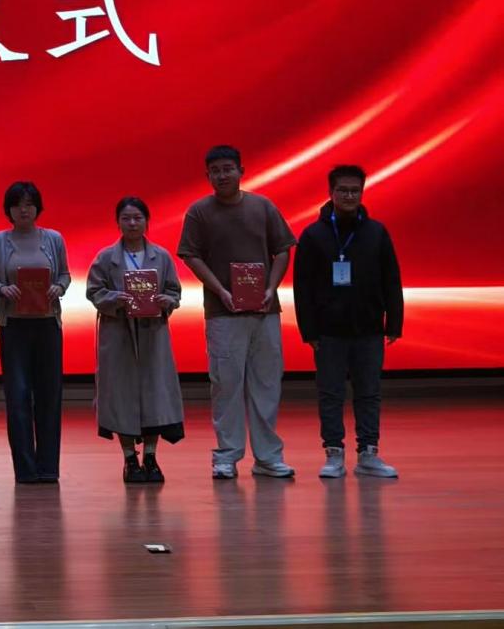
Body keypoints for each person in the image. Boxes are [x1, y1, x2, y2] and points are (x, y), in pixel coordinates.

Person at [177, 145, 298, 480]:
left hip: (265, 311)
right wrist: (221, 291)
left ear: (241, 171)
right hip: (223, 313)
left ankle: (268, 458)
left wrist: (271, 288)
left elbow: (283, 250)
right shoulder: (199, 212)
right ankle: (226, 456)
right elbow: (191, 256)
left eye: (228, 168)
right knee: (226, 385)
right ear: (208, 176)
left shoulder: (263, 206)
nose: (222, 175)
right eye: (215, 171)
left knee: (266, 384)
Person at [293, 165, 403, 479]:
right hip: (327, 331)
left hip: (369, 327)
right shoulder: (313, 235)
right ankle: (333, 454)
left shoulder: (376, 232)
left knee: (369, 392)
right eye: (342, 190)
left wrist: (394, 323)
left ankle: (368, 453)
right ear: (331, 192)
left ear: (362, 193)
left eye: (355, 191)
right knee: (330, 393)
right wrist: (308, 330)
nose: (349, 196)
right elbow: (302, 286)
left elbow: (391, 279)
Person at [85, 196, 184, 484]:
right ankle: (130, 459)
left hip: (153, 334)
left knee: (155, 394)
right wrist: (114, 298)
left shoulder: (161, 257)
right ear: (118, 222)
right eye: (126, 218)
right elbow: (93, 292)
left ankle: (151, 457)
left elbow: (175, 292)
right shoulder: (106, 258)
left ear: (146, 222)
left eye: (137, 218)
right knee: (121, 395)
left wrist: (167, 301)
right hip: (118, 333)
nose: (132, 223)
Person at [0, 181, 70, 484]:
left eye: (30, 204)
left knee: (49, 395)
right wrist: (2, 289)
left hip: (47, 325)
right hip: (14, 326)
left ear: (37, 208)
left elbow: (65, 274)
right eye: (18, 204)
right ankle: (25, 469)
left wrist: (59, 287)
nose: (24, 210)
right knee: (17, 396)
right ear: (9, 210)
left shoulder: (53, 239)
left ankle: (48, 467)